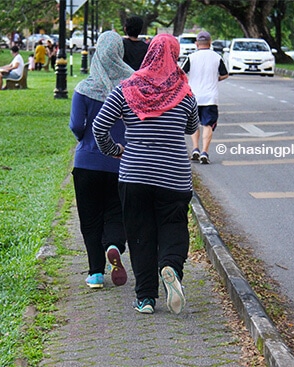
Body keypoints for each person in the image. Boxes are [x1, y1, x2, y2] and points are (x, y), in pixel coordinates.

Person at [93, 34, 199, 314]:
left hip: (135, 173)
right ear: (175, 56)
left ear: (148, 54)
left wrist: (115, 150)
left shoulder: (125, 89)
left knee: (140, 234)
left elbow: (99, 127)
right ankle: (170, 266)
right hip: (174, 176)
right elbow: (192, 127)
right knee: (173, 226)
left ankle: (146, 298)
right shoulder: (185, 93)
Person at [70, 31, 134, 289]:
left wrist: (85, 140)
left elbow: (76, 125)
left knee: (90, 218)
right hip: (121, 161)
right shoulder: (131, 86)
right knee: (116, 212)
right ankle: (114, 245)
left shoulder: (84, 88)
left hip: (87, 162)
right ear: (120, 52)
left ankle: (96, 273)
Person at [181, 31, 229, 164]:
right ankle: (204, 152)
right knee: (208, 124)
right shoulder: (216, 57)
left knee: (193, 123)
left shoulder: (191, 57)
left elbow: (181, 73)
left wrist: (190, 81)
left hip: (193, 96)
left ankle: (195, 149)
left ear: (197, 43)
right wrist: (215, 79)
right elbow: (225, 74)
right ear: (210, 42)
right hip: (210, 97)